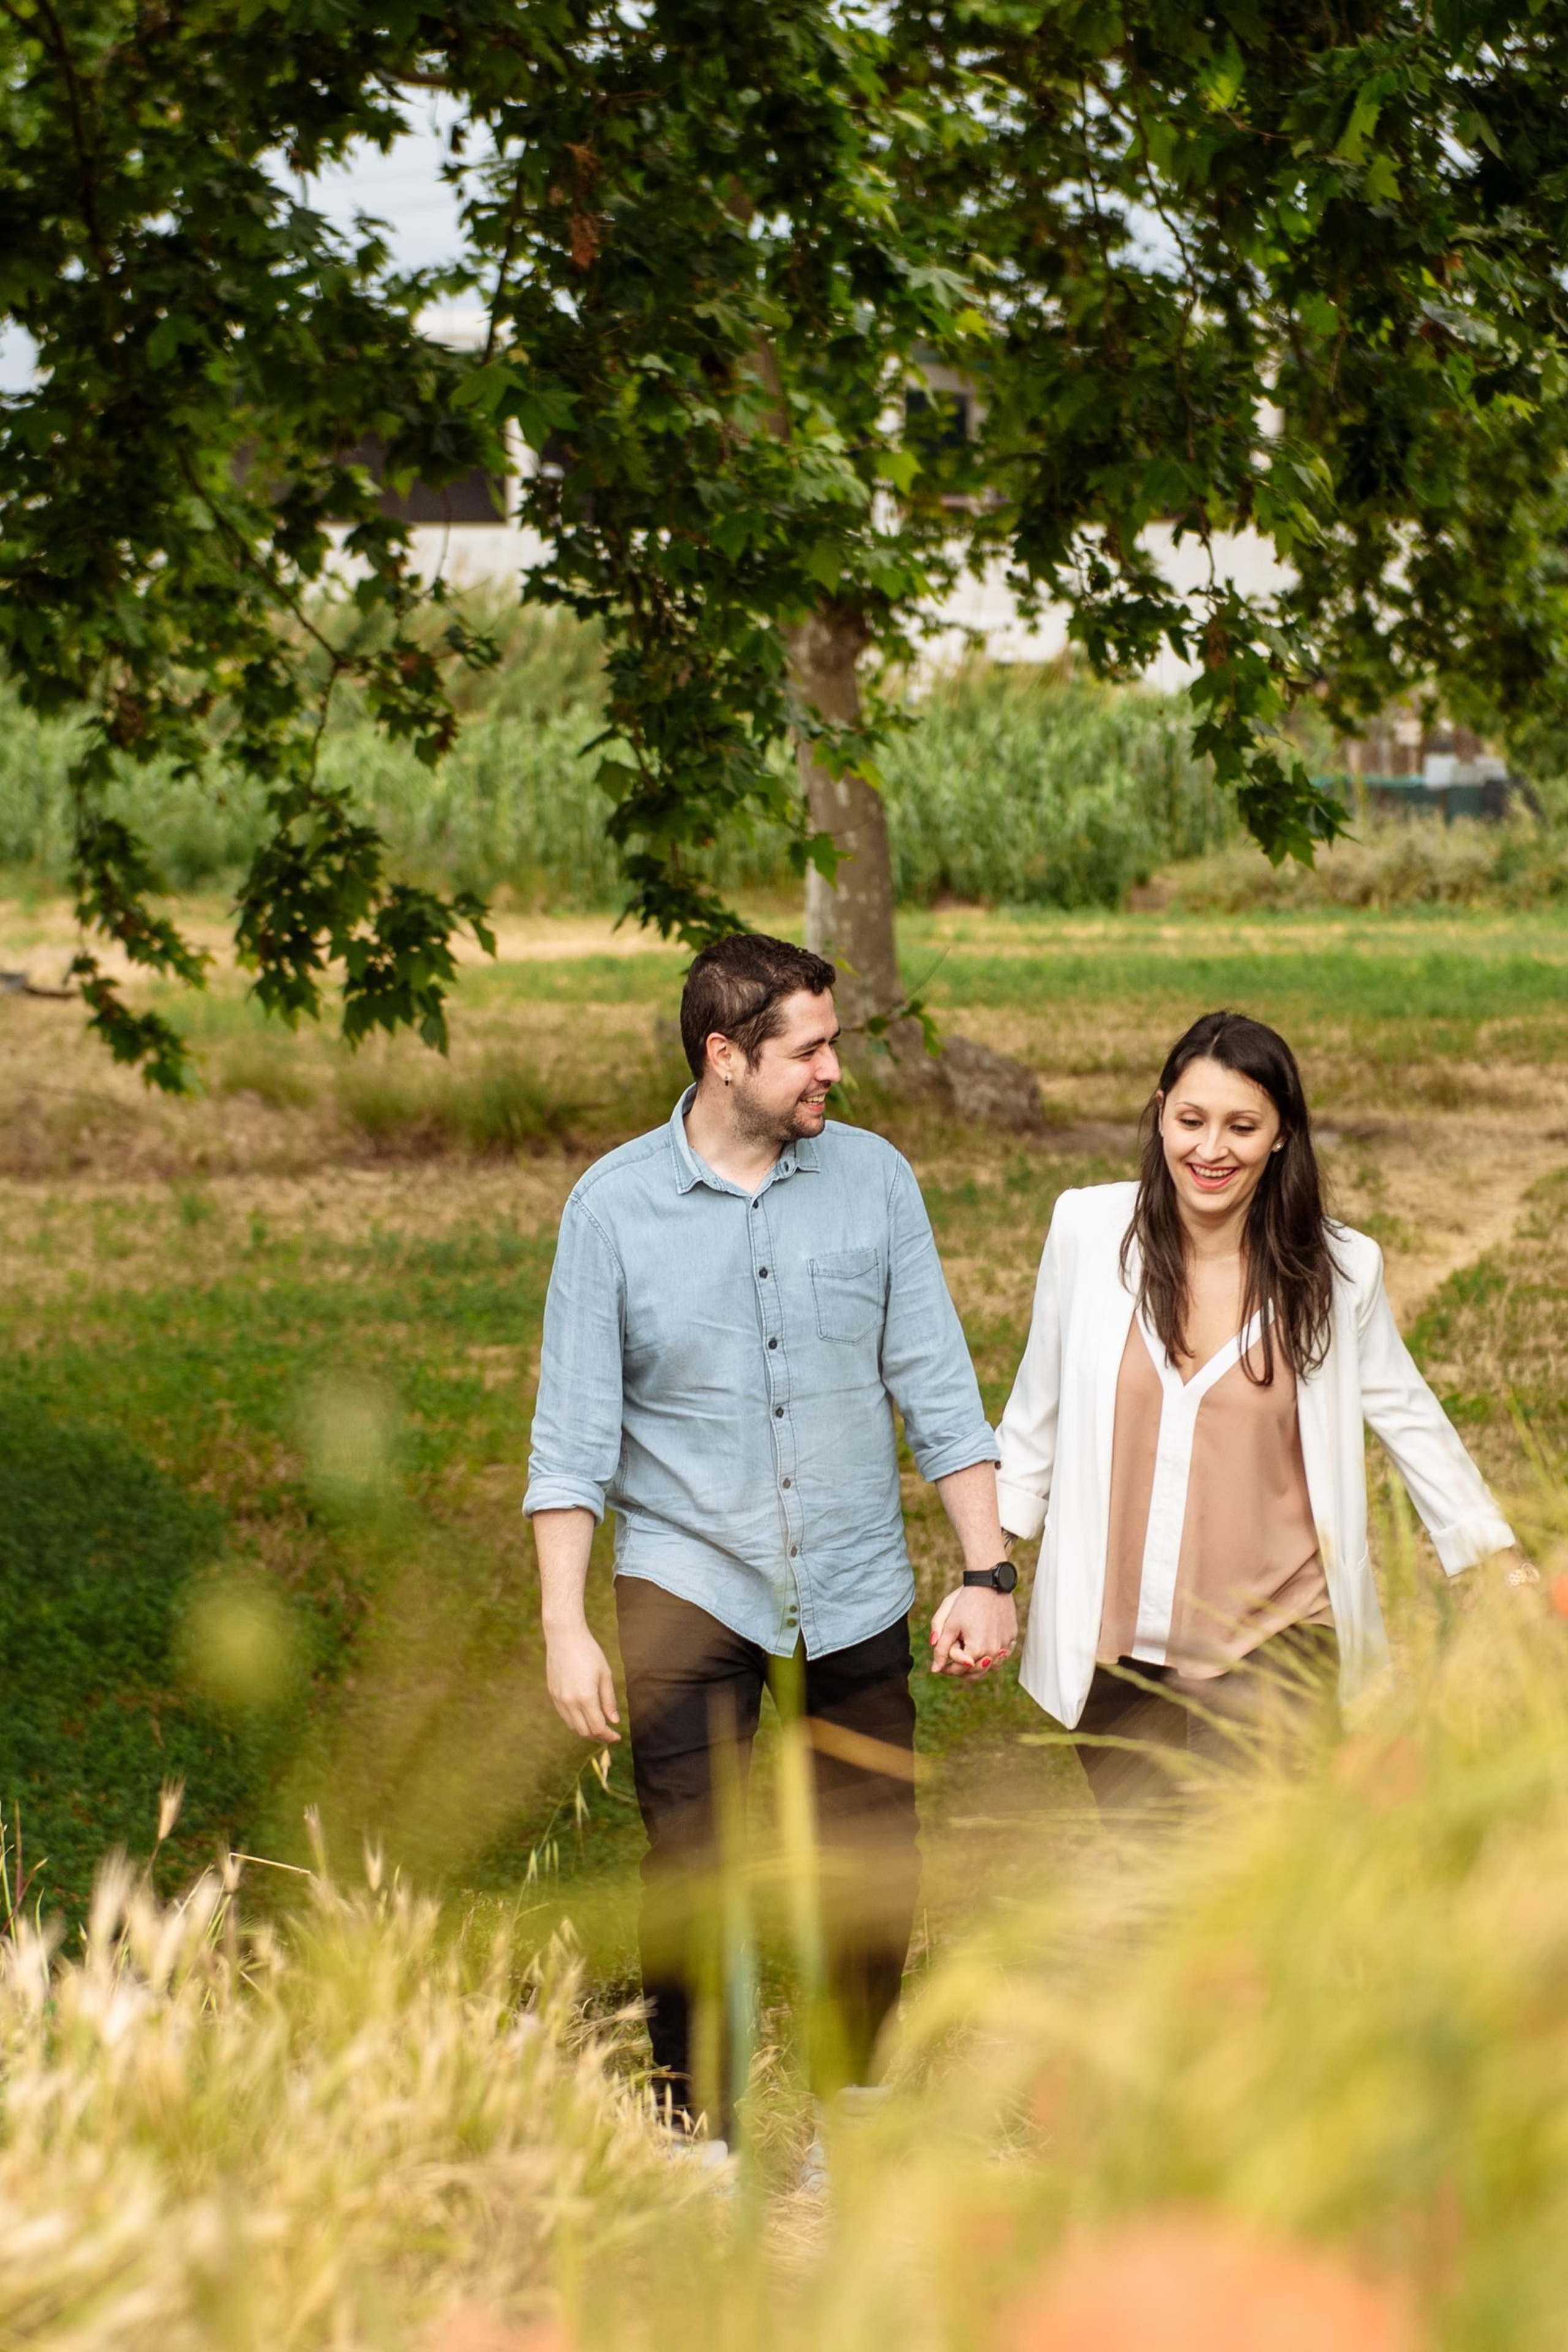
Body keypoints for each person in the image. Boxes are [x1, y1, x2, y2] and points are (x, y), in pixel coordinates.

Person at [525, 933, 1016, 2151]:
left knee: (871, 1865)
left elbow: (939, 1392)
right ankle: (697, 2137)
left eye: (832, 1045)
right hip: (685, 1586)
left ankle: (855, 2122)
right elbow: (571, 1438)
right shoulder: (612, 1209)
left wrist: (987, 1571)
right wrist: (562, 1623)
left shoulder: (876, 1183)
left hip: (849, 1582)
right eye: (807, 1050)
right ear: (723, 1056)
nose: (831, 1073)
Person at [981, 1009, 1524, 1812]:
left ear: (1280, 1136)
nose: (1210, 1149)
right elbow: (1036, 1414)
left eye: (1242, 1126)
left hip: (1281, 1638)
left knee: (1253, 1883)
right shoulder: (1087, 1231)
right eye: (1190, 1120)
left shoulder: (1340, 1269)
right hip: (1121, 1646)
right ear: (1161, 1110)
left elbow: (1410, 1419)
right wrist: (986, 1571)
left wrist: (1494, 1558)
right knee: (1152, 1887)